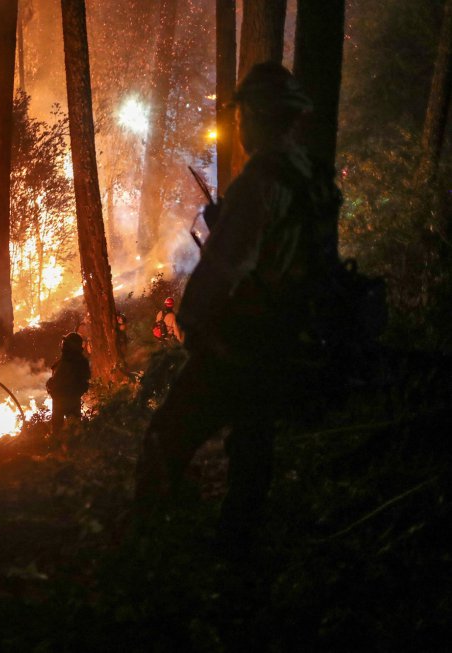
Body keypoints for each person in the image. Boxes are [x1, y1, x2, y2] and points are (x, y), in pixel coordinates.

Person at [134, 62, 338, 547]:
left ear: (258, 117)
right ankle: (239, 541)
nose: (239, 125)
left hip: (243, 337)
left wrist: (191, 320)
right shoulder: (310, 175)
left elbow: (224, 266)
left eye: (242, 115)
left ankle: (146, 543)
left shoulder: (258, 183)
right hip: (286, 333)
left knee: (168, 435)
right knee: (253, 441)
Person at [46, 332, 91, 436]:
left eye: (65, 343)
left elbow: (59, 380)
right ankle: (72, 442)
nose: (63, 345)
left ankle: (60, 443)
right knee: (74, 428)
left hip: (63, 400)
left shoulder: (69, 362)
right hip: (71, 399)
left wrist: (50, 385)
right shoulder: (79, 361)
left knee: (60, 429)